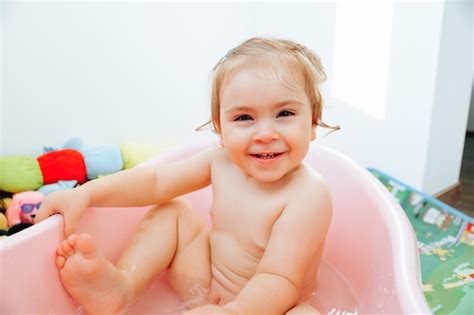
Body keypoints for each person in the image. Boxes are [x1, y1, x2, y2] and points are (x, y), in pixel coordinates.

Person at [35, 37, 338, 315]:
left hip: (275, 306)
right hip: (204, 284)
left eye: (284, 114)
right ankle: (122, 288)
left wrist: (232, 312)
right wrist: (87, 193)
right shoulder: (221, 162)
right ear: (220, 129)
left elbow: (280, 278)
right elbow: (155, 182)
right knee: (173, 210)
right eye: (244, 118)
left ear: (312, 122)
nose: (265, 134)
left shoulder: (309, 194)